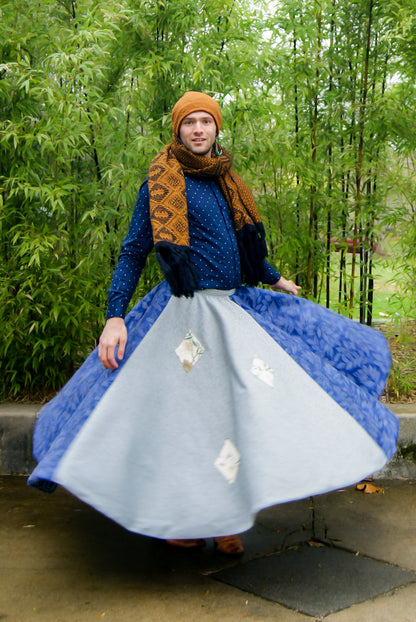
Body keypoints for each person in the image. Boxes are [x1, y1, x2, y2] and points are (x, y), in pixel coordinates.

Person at [29, 92, 399, 556]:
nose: (199, 130)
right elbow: (132, 253)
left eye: (206, 121)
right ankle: (180, 519)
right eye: (190, 123)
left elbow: (244, 247)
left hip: (229, 313)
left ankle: (224, 521)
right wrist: (114, 316)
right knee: (185, 422)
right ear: (178, 130)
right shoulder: (162, 182)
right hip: (181, 318)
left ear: (216, 129)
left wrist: (273, 277)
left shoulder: (228, 182)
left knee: (231, 417)